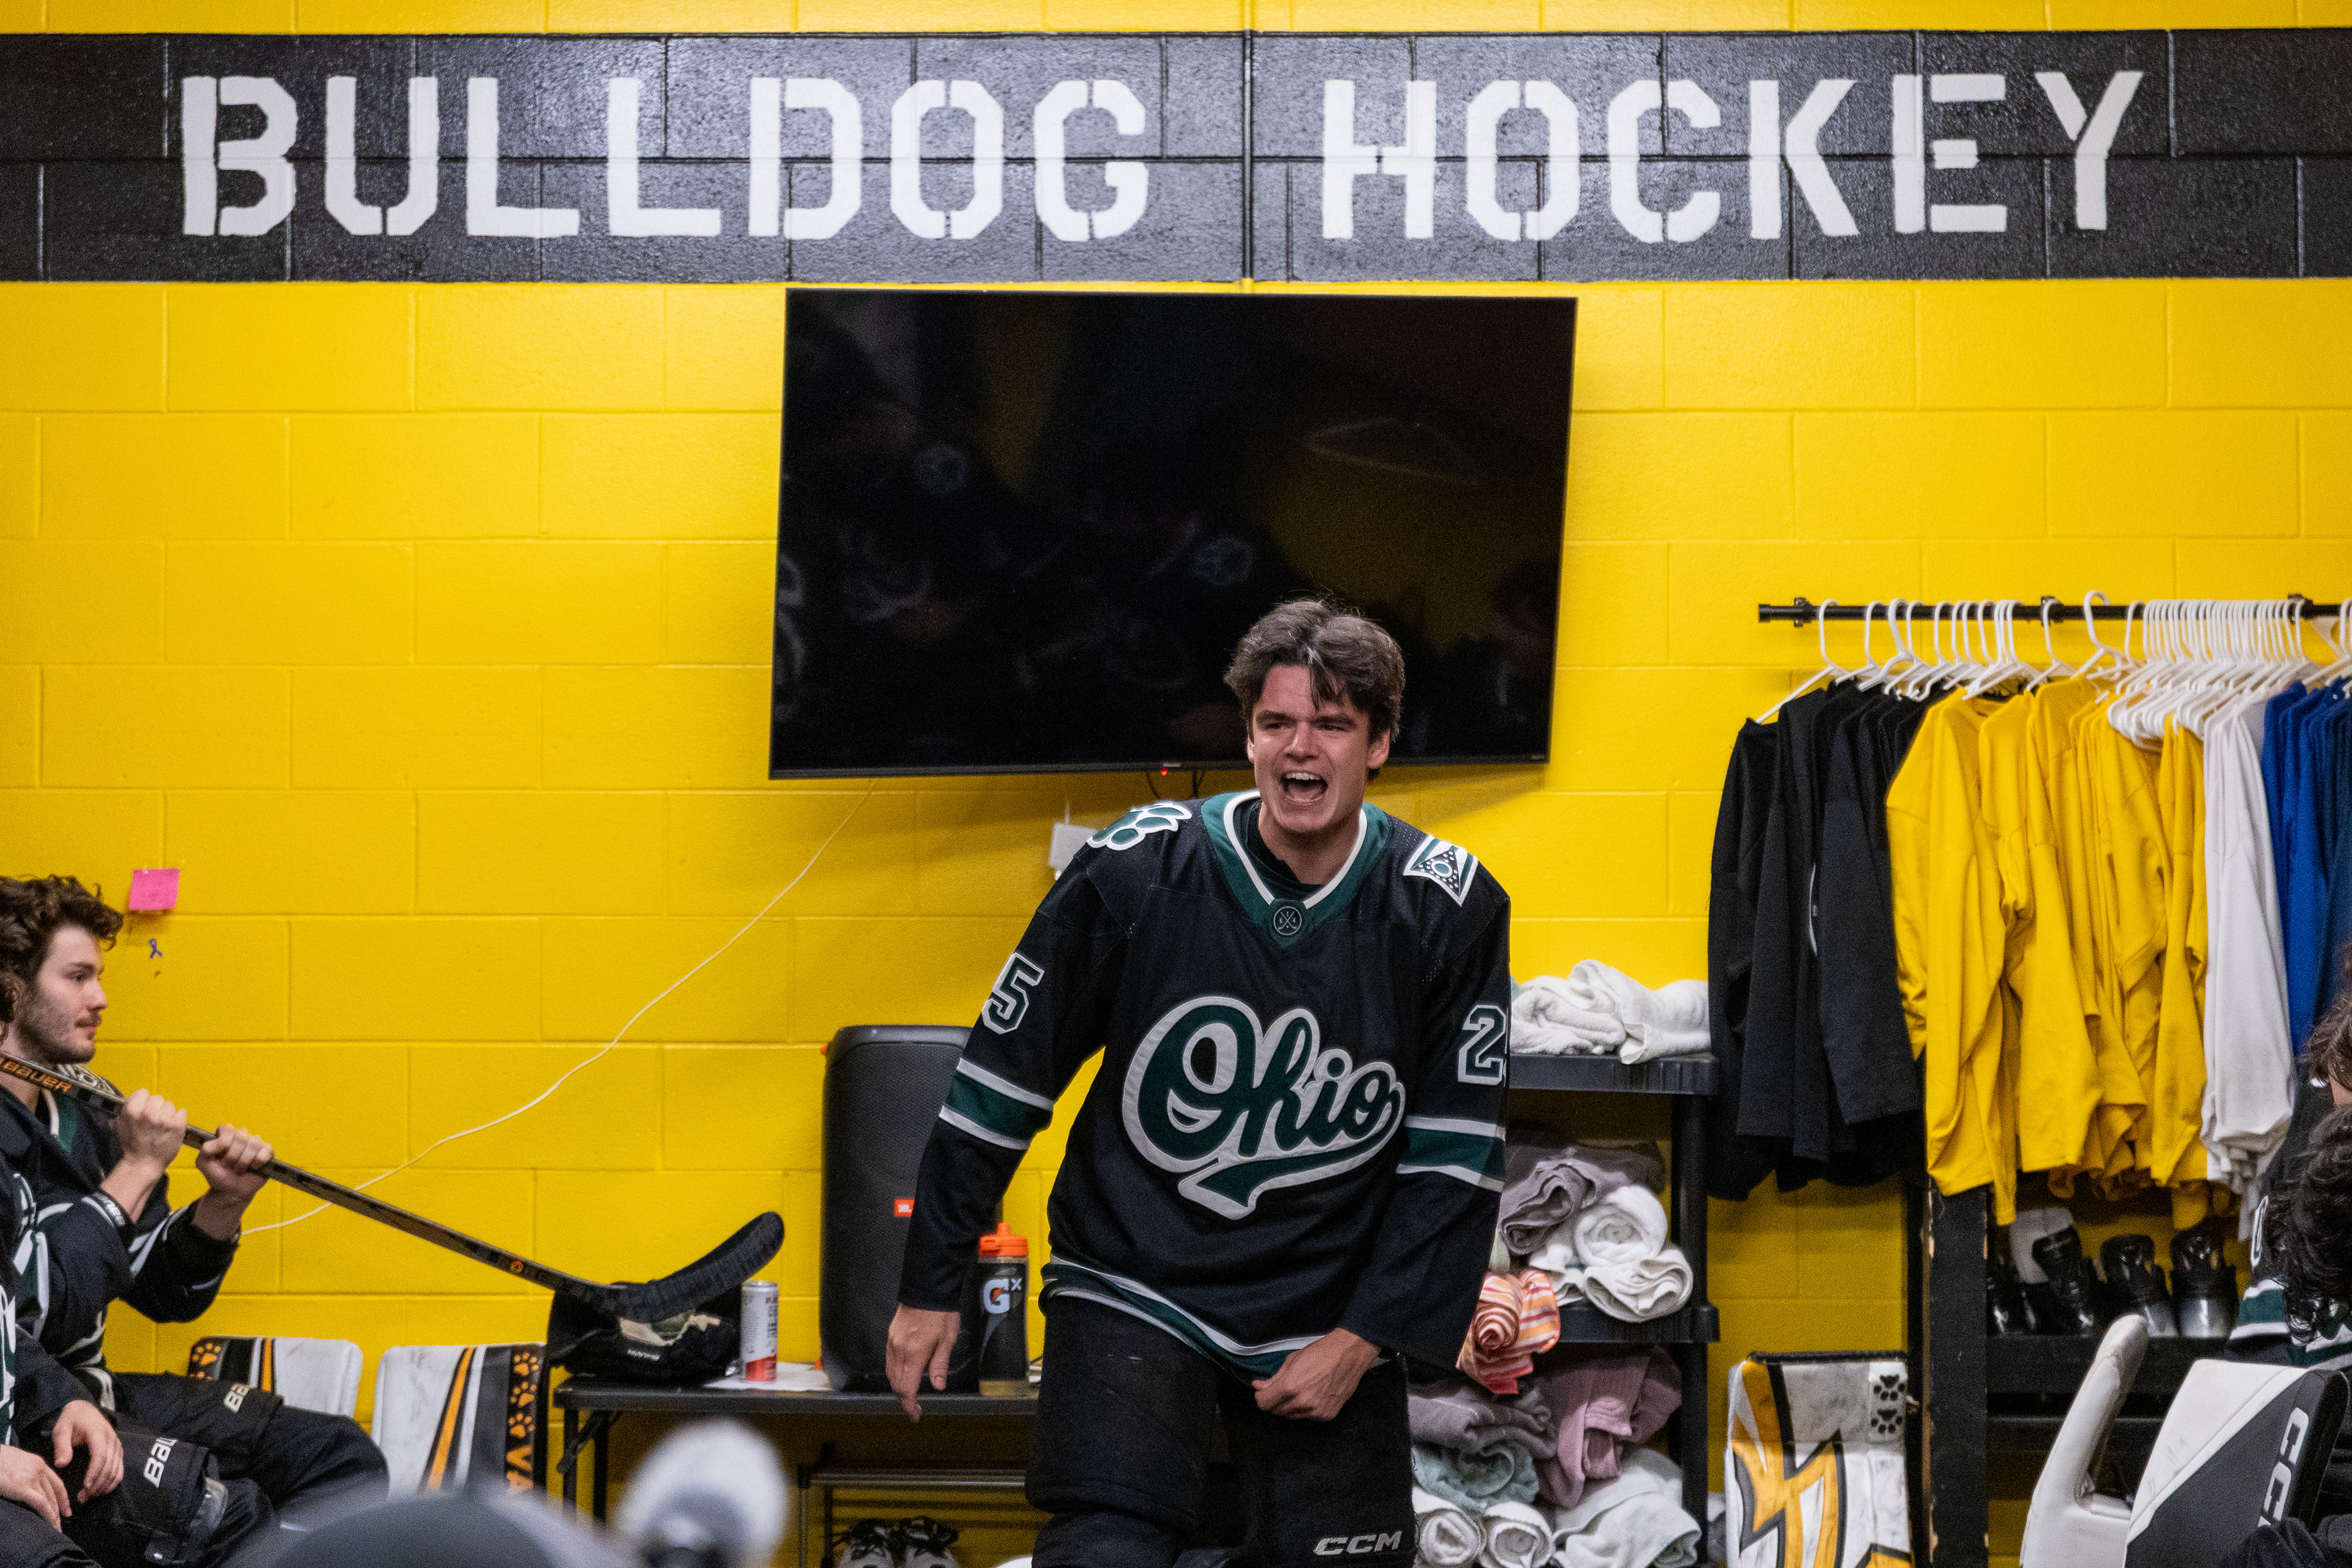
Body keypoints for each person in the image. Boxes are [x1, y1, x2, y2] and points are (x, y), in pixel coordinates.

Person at [887, 600, 1512, 1568]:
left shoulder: (1449, 906)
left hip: (1327, 1302)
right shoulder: (1133, 869)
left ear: (1381, 744)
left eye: (1332, 725)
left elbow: (1453, 1161)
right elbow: (997, 1088)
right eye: (1275, 722)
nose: (1299, 748)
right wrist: (930, 1286)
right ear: (1248, 736)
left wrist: (1361, 1338)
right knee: (1102, 1553)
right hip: (1134, 1279)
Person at [0, 875, 388, 1559]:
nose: (101, 998)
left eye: (99, 977)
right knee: (217, 1511)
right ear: (10, 989)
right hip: (31, 1414)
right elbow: (35, 1317)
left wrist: (222, 1205)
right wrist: (137, 1167)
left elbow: (164, 1294)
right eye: (78, 976)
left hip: (96, 1390)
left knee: (337, 1455)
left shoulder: (87, 1107)